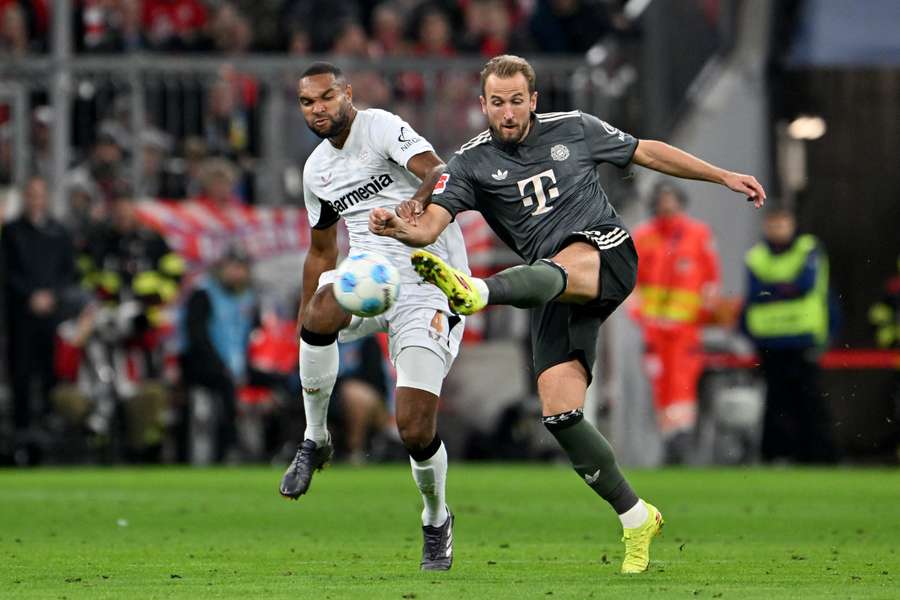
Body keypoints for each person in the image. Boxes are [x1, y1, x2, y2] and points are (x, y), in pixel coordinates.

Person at [370, 54, 766, 574]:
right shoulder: (468, 163)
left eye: (516, 101)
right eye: (497, 103)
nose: (507, 113)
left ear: (533, 101)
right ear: (482, 105)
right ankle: (635, 516)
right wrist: (397, 227)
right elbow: (428, 228)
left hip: (604, 253)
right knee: (561, 414)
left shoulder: (575, 128)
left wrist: (722, 176)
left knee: (559, 263)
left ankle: (479, 292)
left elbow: (645, 152)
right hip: (550, 286)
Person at [278, 62, 469, 571]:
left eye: (325, 98)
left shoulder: (379, 127)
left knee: (413, 428)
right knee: (320, 305)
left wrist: (416, 202)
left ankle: (436, 519)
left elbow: (440, 168)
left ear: (347, 94)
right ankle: (314, 438)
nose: (317, 110)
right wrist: (305, 326)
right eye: (306, 102)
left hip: (429, 285)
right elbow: (321, 252)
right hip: (367, 280)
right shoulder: (316, 170)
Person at [631, 182, 721, 464]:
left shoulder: (698, 234)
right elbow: (631, 283)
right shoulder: (643, 237)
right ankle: (670, 442)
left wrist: (702, 317)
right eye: (662, 199)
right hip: (654, 330)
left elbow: (711, 281)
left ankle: (681, 443)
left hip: (685, 330)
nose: (666, 204)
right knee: (660, 386)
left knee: (683, 385)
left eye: (671, 199)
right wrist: (641, 316)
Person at [742, 208, 838, 464]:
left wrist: (772, 289)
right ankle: (777, 455)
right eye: (773, 225)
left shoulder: (807, 249)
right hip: (770, 339)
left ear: (792, 224)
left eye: (782, 224)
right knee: (776, 399)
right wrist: (786, 288)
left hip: (802, 336)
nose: (777, 230)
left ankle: (818, 455)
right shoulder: (757, 256)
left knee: (809, 397)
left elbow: (805, 285)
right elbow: (754, 292)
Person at [1, 177, 75, 464]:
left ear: (46, 198)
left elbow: (67, 272)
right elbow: (8, 272)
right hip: (21, 316)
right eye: (30, 195)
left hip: (51, 316)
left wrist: (52, 296)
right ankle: (21, 437)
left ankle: (49, 435)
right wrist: (30, 295)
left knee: (51, 375)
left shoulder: (59, 232)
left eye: (39, 195)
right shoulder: (11, 232)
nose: (35, 200)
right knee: (20, 374)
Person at [180, 247, 256, 462]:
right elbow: (197, 338)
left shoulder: (248, 298)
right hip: (205, 365)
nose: (237, 273)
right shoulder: (203, 293)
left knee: (283, 380)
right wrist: (223, 366)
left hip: (235, 365)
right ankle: (228, 449)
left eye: (242, 268)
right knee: (225, 388)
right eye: (233, 267)